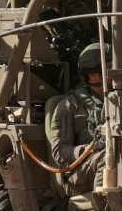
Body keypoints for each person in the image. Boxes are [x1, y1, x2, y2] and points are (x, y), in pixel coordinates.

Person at [45, 43, 108, 196]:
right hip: (77, 178)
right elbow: (60, 153)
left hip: (116, 164)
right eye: (110, 67)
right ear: (92, 75)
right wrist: (93, 148)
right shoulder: (69, 105)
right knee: (109, 157)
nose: (118, 72)